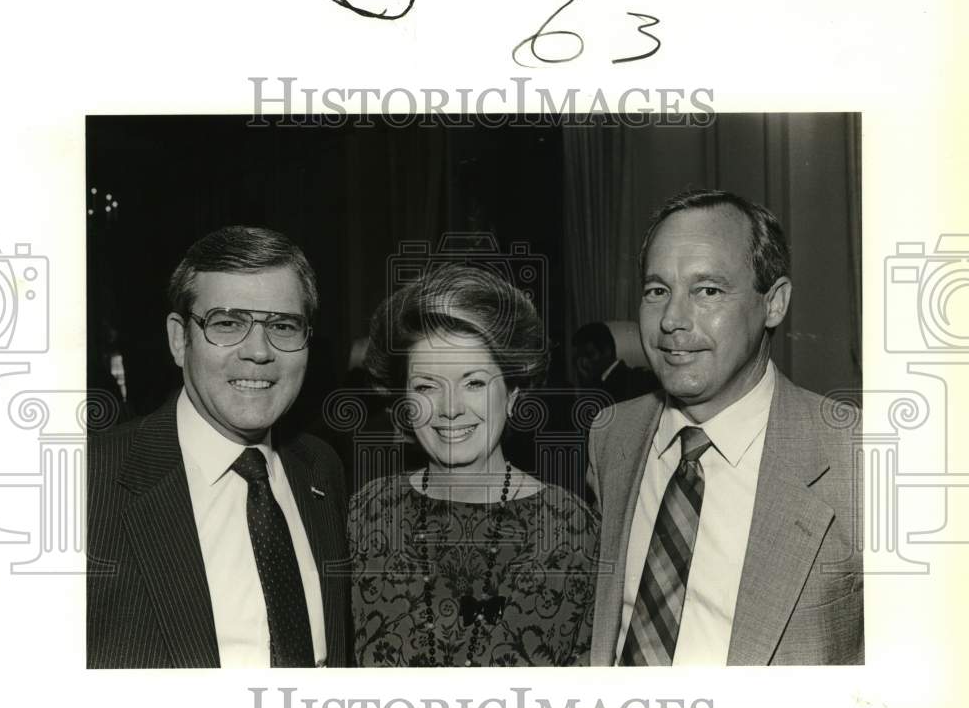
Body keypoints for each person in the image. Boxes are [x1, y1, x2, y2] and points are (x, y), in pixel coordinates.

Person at [587, 190, 862, 666]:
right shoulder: (612, 434)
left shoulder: (860, 457)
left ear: (773, 304)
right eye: (657, 291)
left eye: (707, 290)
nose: (672, 320)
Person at [87, 226, 350, 668]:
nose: (259, 352)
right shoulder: (88, 484)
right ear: (178, 338)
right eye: (227, 323)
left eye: (283, 326)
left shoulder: (321, 468)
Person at [349, 264, 600, 667]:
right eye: (427, 386)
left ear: (513, 393)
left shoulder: (571, 529)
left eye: (474, 383)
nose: (450, 409)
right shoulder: (367, 514)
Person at [572, 321, 657, 405]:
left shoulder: (638, 381)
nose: (583, 363)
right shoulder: (599, 385)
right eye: (579, 357)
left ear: (607, 351)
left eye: (589, 354)